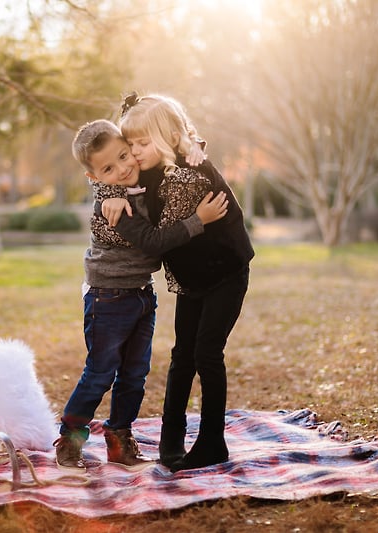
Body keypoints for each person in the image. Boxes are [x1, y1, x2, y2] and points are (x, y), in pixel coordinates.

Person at [55, 119, 229, 473]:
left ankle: (119, 440)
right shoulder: (111, 206)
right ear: (94, 178)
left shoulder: (140, 183)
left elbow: (166, 148)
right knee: (100, 373)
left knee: (135, 375)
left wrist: (194, 145)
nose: (122, 169)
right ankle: (70, 442)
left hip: (141, 294)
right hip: (108, 298)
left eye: (124, 156)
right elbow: (153, 242)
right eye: (108, 169)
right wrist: (199, 219)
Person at [102, 93, 255, 471]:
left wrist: (125, 211)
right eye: (130, 144)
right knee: (182, 355)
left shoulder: (187, 178)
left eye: (142, 143)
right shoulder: (156, 164)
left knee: (206, 353)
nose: (134, 153)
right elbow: (112, 173)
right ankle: (171, 439)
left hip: (225, 272)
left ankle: (212, 442)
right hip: (192, 277)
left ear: (169, 138)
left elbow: (159, 238)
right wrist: (113, 193)